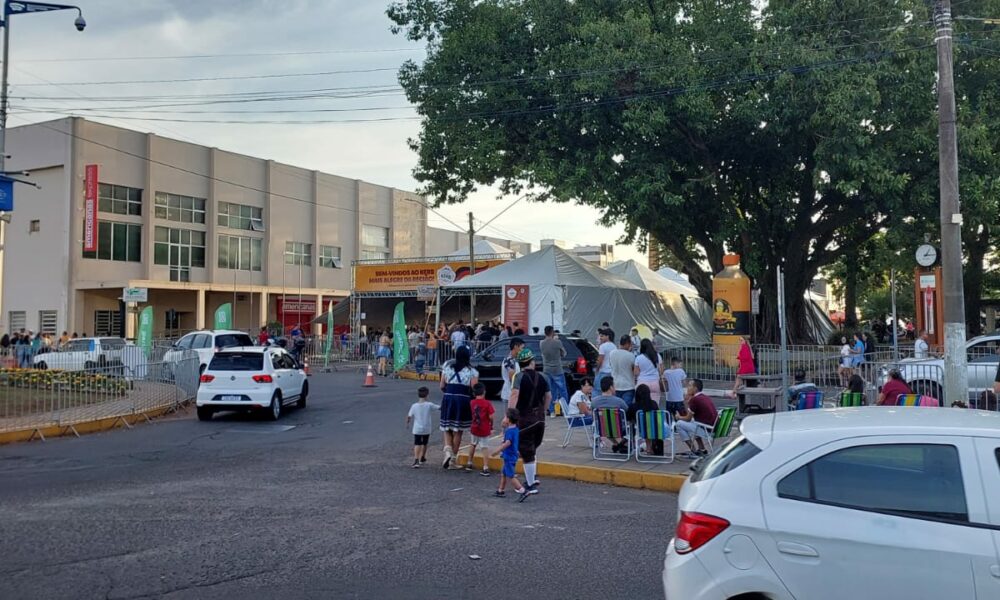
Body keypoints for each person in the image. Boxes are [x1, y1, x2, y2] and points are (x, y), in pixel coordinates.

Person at [508, 348, 550, 495]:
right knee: (532, 448)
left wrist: (509, 416)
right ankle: (532, 477)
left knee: (526, 451)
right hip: (540, 419)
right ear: (532, 362)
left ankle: (531, 485)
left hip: (525, 419)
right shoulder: (543, 376)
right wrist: (542, 411)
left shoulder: (518, 377)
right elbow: (548, 396)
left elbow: (514, 395)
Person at [439, 345, 478, 469]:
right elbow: (475, 388)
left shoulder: (447, 367)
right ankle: (452, 460)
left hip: (448, 397)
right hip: (463, 399)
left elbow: (441, 385)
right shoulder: (472, 371)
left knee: (447, 427)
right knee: (458, 430)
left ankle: (447, 451)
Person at [491, 407, 529, 500]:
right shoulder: (515, 429)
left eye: (505, 417)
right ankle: (500, 490)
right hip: (512, 455)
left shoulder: (509, 431)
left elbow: (507, 443)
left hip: (508, 456)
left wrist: (497, 450)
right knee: (504, 473)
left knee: (510, 476)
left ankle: (523, 491)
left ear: (508, 419)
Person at [675, 379, 718, 458]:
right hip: (712, 428)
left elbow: (687, 418)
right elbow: (690, 416)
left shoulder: (695, 399)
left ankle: (693, 450)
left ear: (695, 388)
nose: (687, 387)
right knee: (692, 423)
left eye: (689, 386)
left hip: (707, 430)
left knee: (679, 424)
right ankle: (701, 448)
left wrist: (679, 417)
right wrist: (688, 401)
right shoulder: (704, 397)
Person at [591, 376, 629, 453]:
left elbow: (594, 416)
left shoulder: (594, 402)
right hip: (619, 429)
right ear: (611, 387)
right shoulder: (619, 401)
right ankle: (622, 445)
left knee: (606, 423)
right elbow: (627, 412)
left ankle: (616, 444)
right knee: (629, 425)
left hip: (602, 429)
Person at [406, 386, 439, 468]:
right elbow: (440, 408)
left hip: (417, 428)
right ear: (427, 395)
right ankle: (422, 457)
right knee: (425, 443)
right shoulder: (429, 405)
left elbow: (409, 416)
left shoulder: (414, 406)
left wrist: (407, 423)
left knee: (417, 443)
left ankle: (416, 460)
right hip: (426, 428)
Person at [627, 384, 662, 456]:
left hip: (641, 431)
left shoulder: (633, 406)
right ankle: (650, 448)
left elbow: (628, 419)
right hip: (655, 430)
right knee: (649, 425)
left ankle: (645, 447)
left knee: (638, 425)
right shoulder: (653, 404)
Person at [539, 326, 568, 415]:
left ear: (545, 333)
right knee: (562, 390)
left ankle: (551, 410)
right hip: (557, 369)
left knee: (550, 390)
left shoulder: (541, 343)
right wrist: (557, 339)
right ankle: (565, 409)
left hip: (547, 369)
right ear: (552, 332)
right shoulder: (557, 342)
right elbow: (564, 354)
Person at [468, 383, 495, 476]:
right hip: (484, 428)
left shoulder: (472, 402)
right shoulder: (487, 403)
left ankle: (469, 463)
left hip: (474, 427)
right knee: (484, 447)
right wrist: (491, 425)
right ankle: (485, 467)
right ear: (484, 392)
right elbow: (491, 416)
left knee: (473, 444)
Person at [635, 339, 665, 406]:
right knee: (655, 405)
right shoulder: (657, 356)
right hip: (655, 382)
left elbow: (636, 373)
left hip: (642, 383)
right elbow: (662, 370)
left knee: (641, 404)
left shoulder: (638, 358)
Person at [610, 335, 637, 405]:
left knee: (616, 409)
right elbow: (634, 370)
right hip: (628, 386)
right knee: (626, 408)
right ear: (627, 343)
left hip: (615, 384)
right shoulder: (631, 355)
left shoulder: (612, 353)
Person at [500, 337, 524, 405]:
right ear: (516, 346)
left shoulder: (514, 359)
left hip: (512, 393)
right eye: (522, 348)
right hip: (509, 394)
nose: (522, 350)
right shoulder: (510, 360)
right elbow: (512, 378)